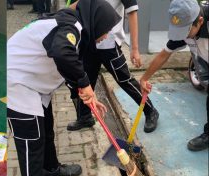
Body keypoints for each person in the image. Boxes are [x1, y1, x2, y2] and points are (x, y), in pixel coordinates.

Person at [7, 0, 120, 176]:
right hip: (15, 83)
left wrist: (87, 95)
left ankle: (50, 169)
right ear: (95, 22)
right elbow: (62, 53)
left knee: (46, 129)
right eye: (105, 30)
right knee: (31, 144)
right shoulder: (71, 27)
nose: (105, 36)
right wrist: (85, 83)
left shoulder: (69, 24)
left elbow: (67, 66)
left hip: (32, 84)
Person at [67, 0, 159, 133]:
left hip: (108, 42)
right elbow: (76, 5)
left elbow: (132, 13)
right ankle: (85, 117)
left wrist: (135, 48)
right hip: (88, 40)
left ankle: (150, 110)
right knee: (85, 78)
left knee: (124, 79)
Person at [140, 0, 208, 151]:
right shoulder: (187, 31)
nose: (181, 37)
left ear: (200, 21)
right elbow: (163, 55)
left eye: (185, 31)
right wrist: (144, 78)